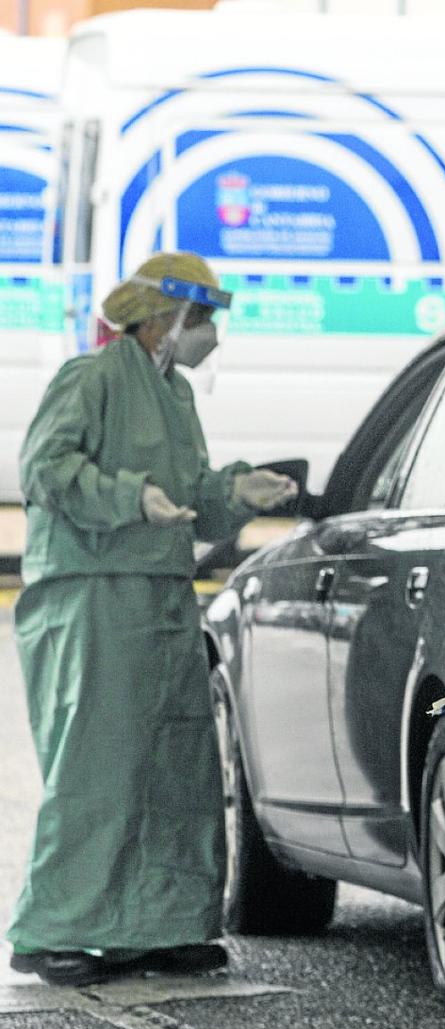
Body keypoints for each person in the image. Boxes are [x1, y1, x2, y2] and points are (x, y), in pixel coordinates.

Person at [7, 252, 298, 987]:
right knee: (100, 767)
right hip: (94, 594)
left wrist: (238, 491)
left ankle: (157, 924)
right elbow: (45, 469)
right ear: (162, 317)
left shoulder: (176, 397)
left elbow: (191, 493)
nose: (209, 336)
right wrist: (130, 498)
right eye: (201, 319)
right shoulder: (92, 378)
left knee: (174, 766)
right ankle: (55, 927)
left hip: (161, 595)